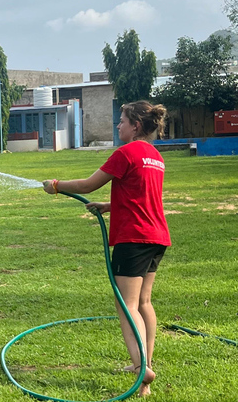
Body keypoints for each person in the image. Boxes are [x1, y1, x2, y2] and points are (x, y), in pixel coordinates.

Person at [42, 100, 170, 397]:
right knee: (143, 303)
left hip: (133, 238)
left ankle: (142, 369)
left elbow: (88, 185)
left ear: (136, 125)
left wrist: (57, 185)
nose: (118, 125)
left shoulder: (125, 152)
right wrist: (112, 205)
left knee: (126, 305)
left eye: (122, 120)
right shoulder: (154, 156)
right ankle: (145, 364)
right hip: (157, 236)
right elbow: (143, 195)